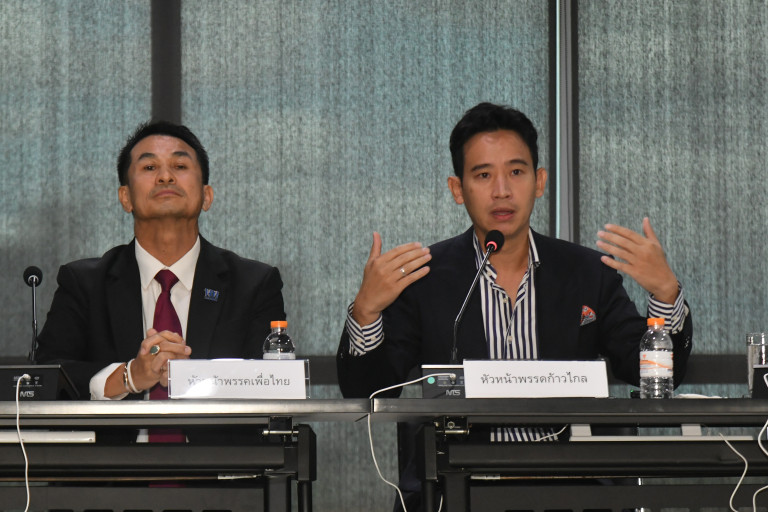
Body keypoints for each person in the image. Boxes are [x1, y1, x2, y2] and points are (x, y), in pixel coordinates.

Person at [336, 102, 692, 509]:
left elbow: (650, 372)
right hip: (459, 490)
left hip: (571, 490)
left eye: (516, 172)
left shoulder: (587, 273)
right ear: (457, 189)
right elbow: (367, 390)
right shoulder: (425, 280)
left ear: (539, 181)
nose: (501, 190)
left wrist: (665, 294)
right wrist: (365, 312)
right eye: (483, 175)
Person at [36, 121, 286, 406]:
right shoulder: (84, 284)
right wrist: (129, 376)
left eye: (180, 166)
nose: (165, 177)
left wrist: (194, 378)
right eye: (149, 167)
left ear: (207, 196)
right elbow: (45, 378)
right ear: (125, 198)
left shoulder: (254, 285)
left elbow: (273, 386)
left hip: (216, 437)